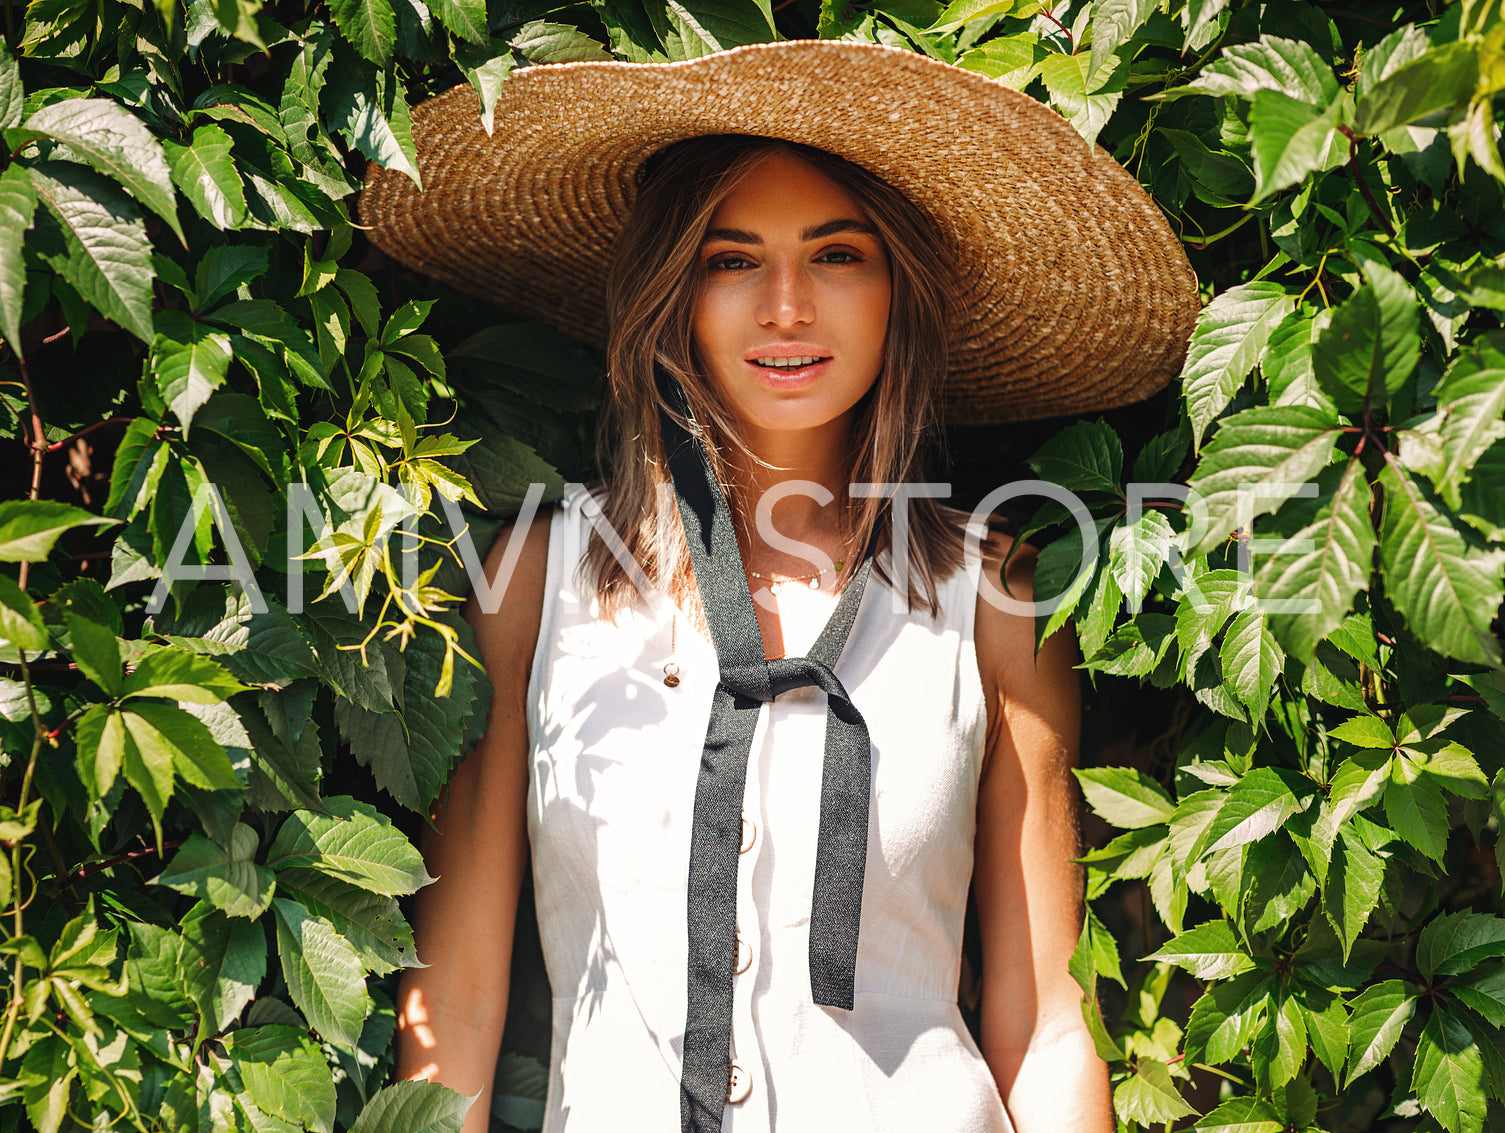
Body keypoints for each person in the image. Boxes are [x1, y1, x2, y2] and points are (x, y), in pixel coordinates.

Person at [359, 39, 1197, 1133]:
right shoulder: (530, 584)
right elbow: (456, 1005)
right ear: (672, 291)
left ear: (899, 287)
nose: (787, 307)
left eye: (838, 255)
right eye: (730, 258)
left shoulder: (993, 598)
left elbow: (1039, 1022)